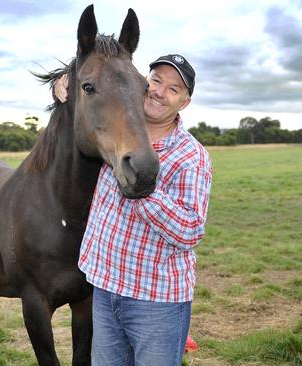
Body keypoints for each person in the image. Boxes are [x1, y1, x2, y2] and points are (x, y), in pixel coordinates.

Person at [56, 54, 212, 366]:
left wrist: (143, 190)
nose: (159, 92)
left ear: (184, 102)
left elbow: (190, 231)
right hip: (103, 287)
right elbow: (101, 79)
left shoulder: (191, 156)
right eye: (155, 81)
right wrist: (66, 80)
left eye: (173, 89)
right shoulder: (116, 130)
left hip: (154, 301)